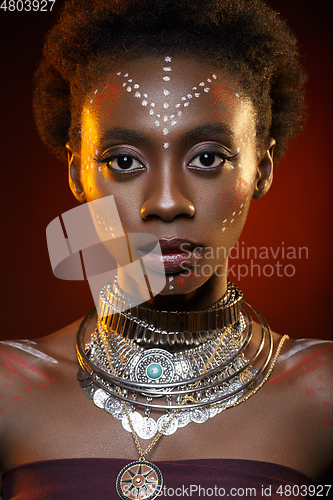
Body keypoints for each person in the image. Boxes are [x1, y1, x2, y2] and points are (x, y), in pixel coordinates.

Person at [0, 0, 332, 499]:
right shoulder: (10, 389)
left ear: (261, 168)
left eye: (207, 157)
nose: (167, 202)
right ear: (76, 174)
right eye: (124, 161)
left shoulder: (321, 392)